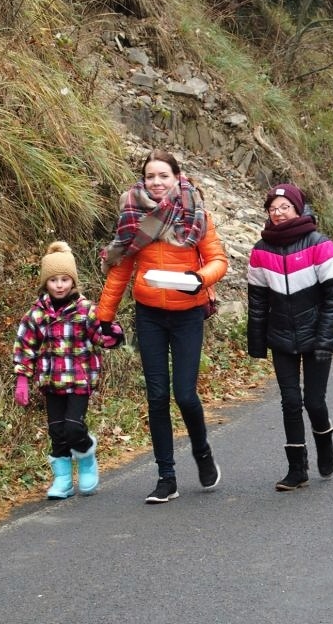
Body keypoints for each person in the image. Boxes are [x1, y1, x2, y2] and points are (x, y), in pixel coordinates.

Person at [96, 149, 228, 504]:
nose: (156, 183)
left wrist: (200, 278)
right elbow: (120, 268)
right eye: (150, 176)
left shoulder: (196, 213)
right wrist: (103, 318)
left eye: (163, 176)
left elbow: (218, 260)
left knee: (185, 394)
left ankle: (202, 451)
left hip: (187, 312)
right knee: (156, 397)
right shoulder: (132, 214)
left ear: (177, 176)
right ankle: (166, 477)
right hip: (149, 314)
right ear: (143, 179)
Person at [247, 183, 333, 491]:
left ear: (298, 208)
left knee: (313, 402)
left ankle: (325, 442)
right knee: (290, 402)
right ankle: (296, 468)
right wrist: (256, 341)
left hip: (317, 333)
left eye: (284, 207)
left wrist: (326, 339)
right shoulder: (261, 251)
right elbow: (257, 300)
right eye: (273, 209)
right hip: (281, 336)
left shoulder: (320, 244)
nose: (278, 214)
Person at [13, 241, 124, 500]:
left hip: (79, 380)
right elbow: (25, 345)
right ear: (45, 283)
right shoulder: (36, 315)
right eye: (54, 280)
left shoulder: (86, 310)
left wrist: (111, 333)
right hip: (51, 382)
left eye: (65, 279)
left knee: (73, 428)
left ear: (73, 282)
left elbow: (102, 336)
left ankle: (86, 459)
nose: (60, 285)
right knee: (57, 431)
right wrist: (22, 378)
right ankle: (62, 480)